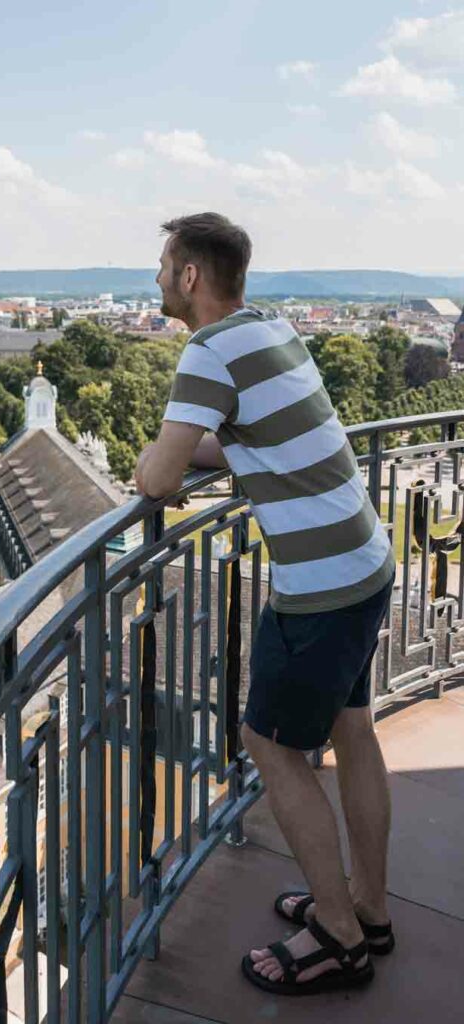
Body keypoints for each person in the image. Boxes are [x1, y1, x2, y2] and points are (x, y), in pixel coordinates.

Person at [135, 212, 396, 997]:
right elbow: (251, 437)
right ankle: (368, 910)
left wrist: (163, 450)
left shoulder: (207, 351)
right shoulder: (269, 329)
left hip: (318, 585)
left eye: (161, 267)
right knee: (353, 731)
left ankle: (338, 938)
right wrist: (198, 447)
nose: (154, 281)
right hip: (365, 560)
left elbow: (157, 480)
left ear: (189, 277)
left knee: (272, 746)